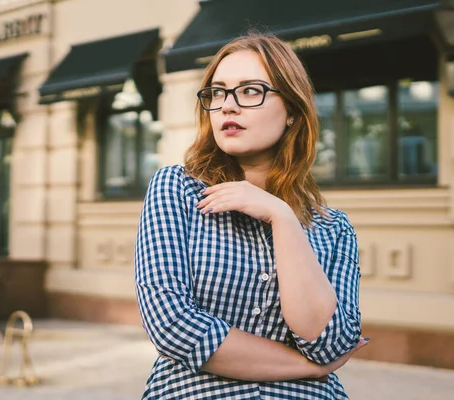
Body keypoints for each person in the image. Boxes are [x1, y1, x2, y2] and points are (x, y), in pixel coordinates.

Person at [134, 33, 367, 400]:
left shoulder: (332, 227)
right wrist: (310, 369)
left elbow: (330, 344)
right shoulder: (176, 190)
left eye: (250, 91)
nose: (228, 106)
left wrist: (283, 219)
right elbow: (173, 327)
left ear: (292, 109)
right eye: (218, 92)